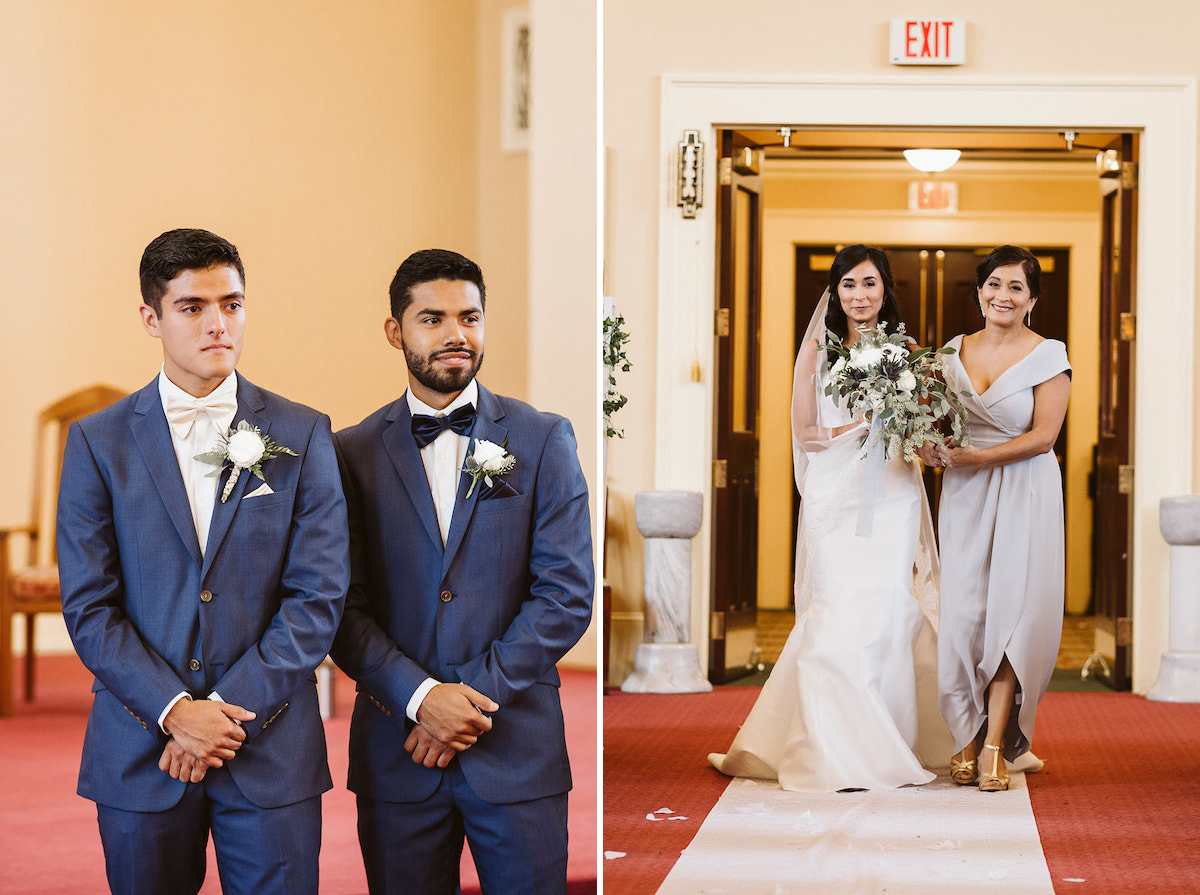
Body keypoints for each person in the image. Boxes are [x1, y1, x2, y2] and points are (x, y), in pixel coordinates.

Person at [56, 228, 350, 894]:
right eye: (192, 307)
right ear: (151, 318)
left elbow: (319, 596)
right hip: (140, 743)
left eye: (233, 303)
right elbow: (90, 606)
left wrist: (220, 710)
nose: (219, 323)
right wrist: (174, 711)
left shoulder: (302, 433)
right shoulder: (98, 443)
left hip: (271, 743)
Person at [330, 248, 594, 893]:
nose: (457, 335)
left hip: (515, 745)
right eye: (433, 318)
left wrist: (468, 703)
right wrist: (422, 701)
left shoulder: (542, 437)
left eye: (470, 317)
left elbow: (565, 593)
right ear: (395, 331)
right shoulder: (348, 453)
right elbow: (338, 605)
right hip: (399, 749)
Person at [709, 244, 948, 792]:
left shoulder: (907, 351)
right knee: (840, 608)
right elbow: (807, 432)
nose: (859, 296)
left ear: (885, 288)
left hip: (892, 491)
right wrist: (861, 424)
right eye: (848, 285)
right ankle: (827, 748)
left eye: (869, 284)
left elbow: (925, 424)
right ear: (835, 292)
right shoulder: (819, 348)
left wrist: (915, 425)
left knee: (889, 608)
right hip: (835, 491)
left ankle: (887, 739)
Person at [921, 245, 1071, 792]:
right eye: (993, 284)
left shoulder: (1049, 355)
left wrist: (972, 459)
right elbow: (935, 426)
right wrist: (928, 449)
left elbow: (1044, 438)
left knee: (1013, 613)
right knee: (964, 613)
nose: (1001, 296)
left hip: (1026, 490)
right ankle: (962, 732)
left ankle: (993, 745)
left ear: (1031, 298)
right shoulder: (950, 353)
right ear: (979, 291)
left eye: (1014, 287)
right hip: (964, 492)